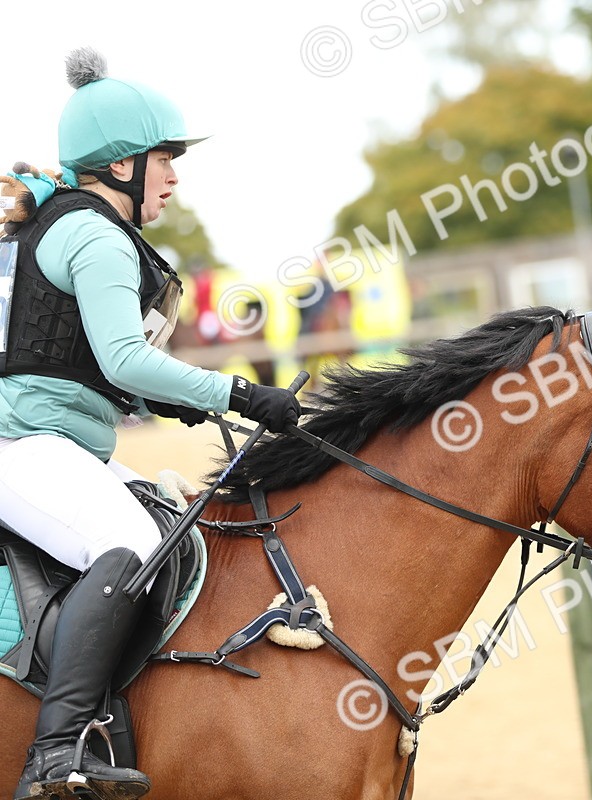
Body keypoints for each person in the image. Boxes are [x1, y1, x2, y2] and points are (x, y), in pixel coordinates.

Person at [0, 49, 300, 800]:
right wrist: (240, 393)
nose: (173, 175)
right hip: (19, 443)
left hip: (49, 439)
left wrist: (181, 398)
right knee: (133, 542)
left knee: (170, 524)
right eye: (163, 158)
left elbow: (80, 364)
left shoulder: (68, 224)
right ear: (122, 165)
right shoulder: (96, 234)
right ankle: (56, 753)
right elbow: (127, 360)